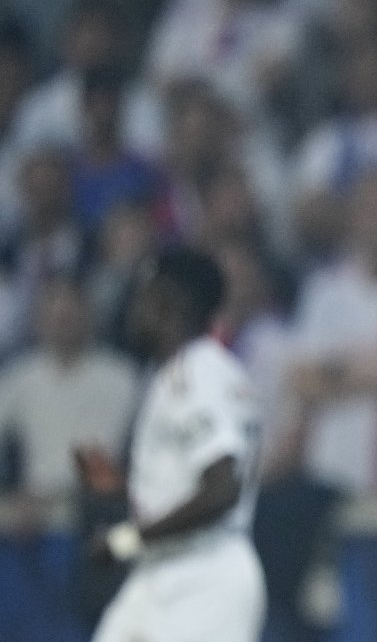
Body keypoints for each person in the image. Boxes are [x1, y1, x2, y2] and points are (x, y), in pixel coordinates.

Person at [79, 246, 266, 642]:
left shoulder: (197, 373)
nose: (134, 306)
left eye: (143, 294)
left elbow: (221, 490)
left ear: (170, 302)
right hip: (159, 572)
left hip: (204, 574)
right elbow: (178, 484)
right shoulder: (176, 375)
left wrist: (125, 540)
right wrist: (114, 484)